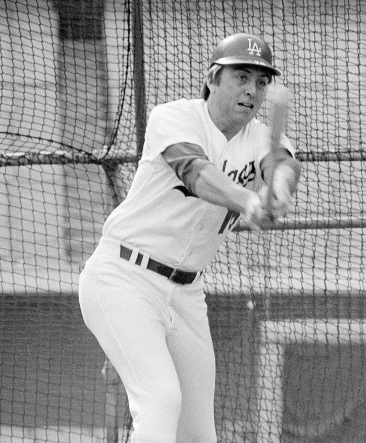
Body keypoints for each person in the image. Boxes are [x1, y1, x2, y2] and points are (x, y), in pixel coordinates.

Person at [78, 32, 301, 442]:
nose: (252, 89)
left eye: (262, 81)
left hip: (186, 293)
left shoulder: (260, 138)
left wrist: (278, 195)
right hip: (124, 277)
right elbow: (196, 173)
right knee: (161, 400)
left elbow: (282, 165)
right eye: (241, 76)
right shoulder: (174, 117)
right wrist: (248, 202)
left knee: (198, 433)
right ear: (214, 78)